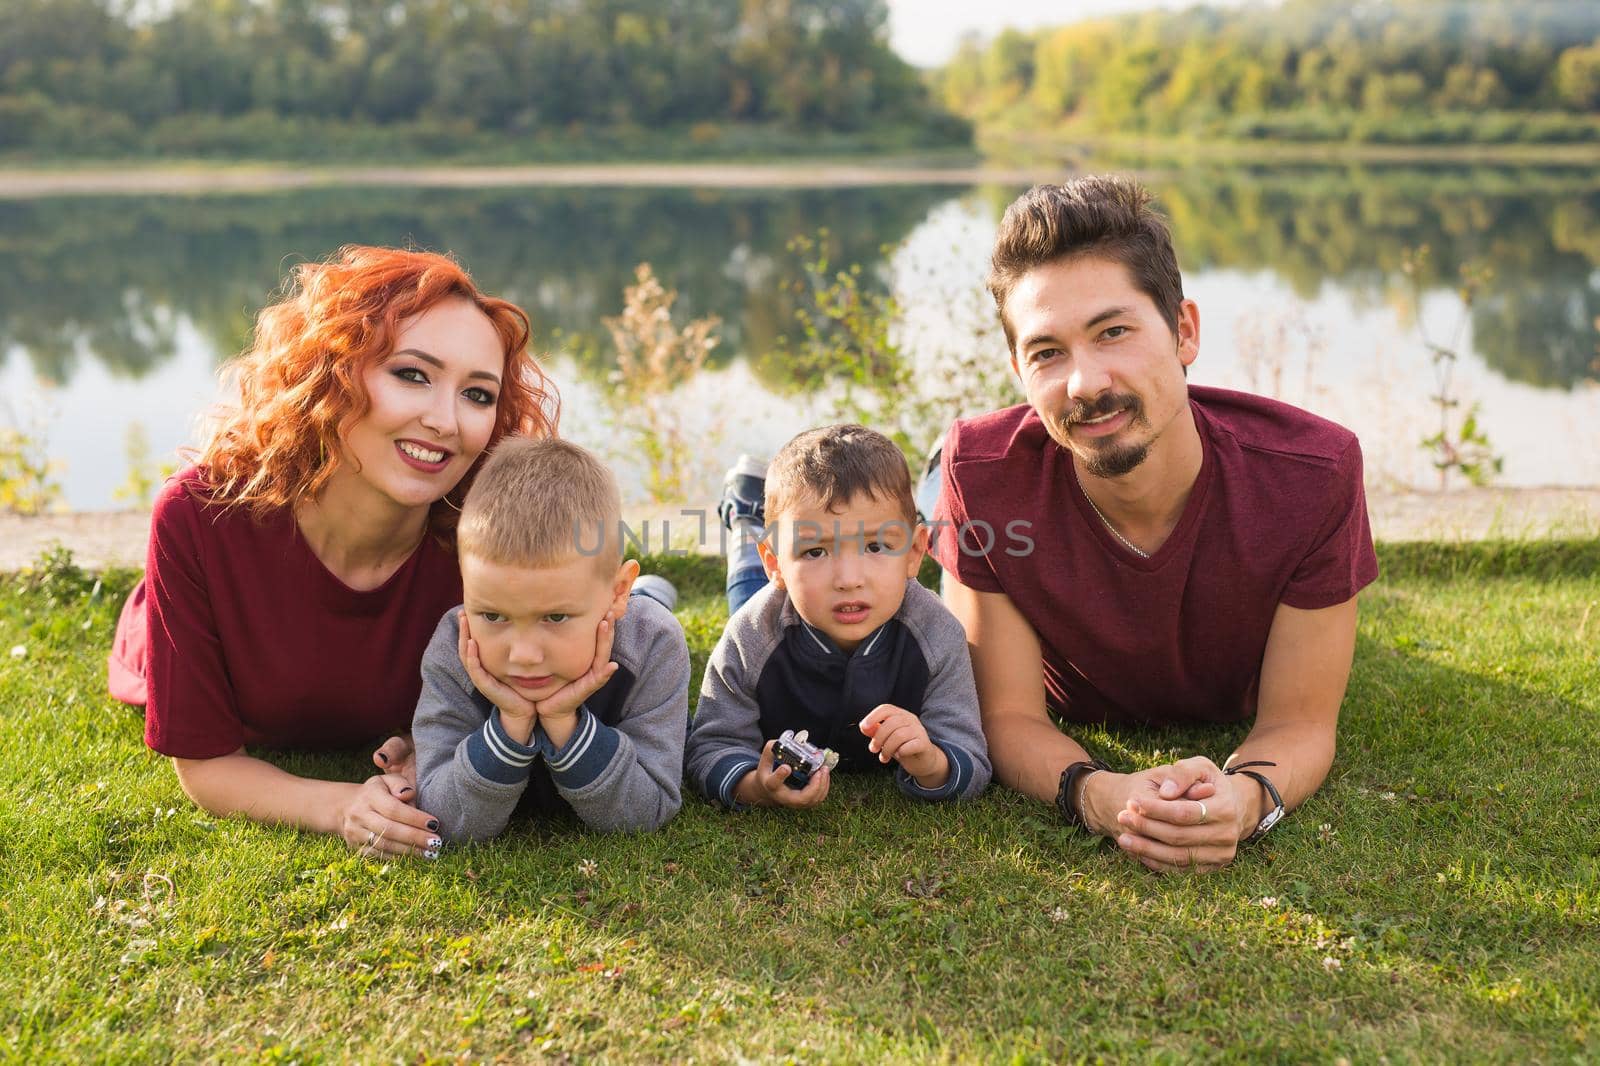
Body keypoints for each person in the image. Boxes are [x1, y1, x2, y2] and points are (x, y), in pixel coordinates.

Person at [930, 175, 1378, 874]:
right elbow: (1010, 718)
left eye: (1114, 332)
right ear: (1019, 370)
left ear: (1184, 331)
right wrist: (1098, 793)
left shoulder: (1314, 475)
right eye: (1048, 352)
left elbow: (1299, 722)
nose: (1086, 382)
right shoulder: (983, 477)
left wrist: (1249, 797)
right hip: (980, 476)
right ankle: (753, 517)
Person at [107, 245, 558, 859]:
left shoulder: (485, 531)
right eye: (412, 375)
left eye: (477, 394)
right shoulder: (200, 517)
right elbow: (207, 765)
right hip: (160, 630)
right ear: (333, 375)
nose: (446, 421)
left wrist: (427, 745)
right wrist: (343, 805)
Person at [688, 424, 990, 810]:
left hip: (794, 598)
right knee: (751, 595)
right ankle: (745, 519)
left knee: (770, 594)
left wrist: (931, 762)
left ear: (915, 552)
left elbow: (970, 754)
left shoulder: (937, 633)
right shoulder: (751, 637)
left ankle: (750, 512)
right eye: (815, 552)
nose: (849, 580)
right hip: (776, 606)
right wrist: (753, 786)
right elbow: (710, 746)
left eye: (875, 546)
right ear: (777, 562)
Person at [412, 438, 690, 841]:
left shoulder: (655, 645)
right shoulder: (455, 648)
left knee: (651, 607)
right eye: (493, 615)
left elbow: (649, 809)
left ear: (616, 592)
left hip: (634, 613)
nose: (523, 656)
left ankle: (650, 592)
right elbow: (444, 818)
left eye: (555, 616)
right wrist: (510, 724)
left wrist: (566, 723)